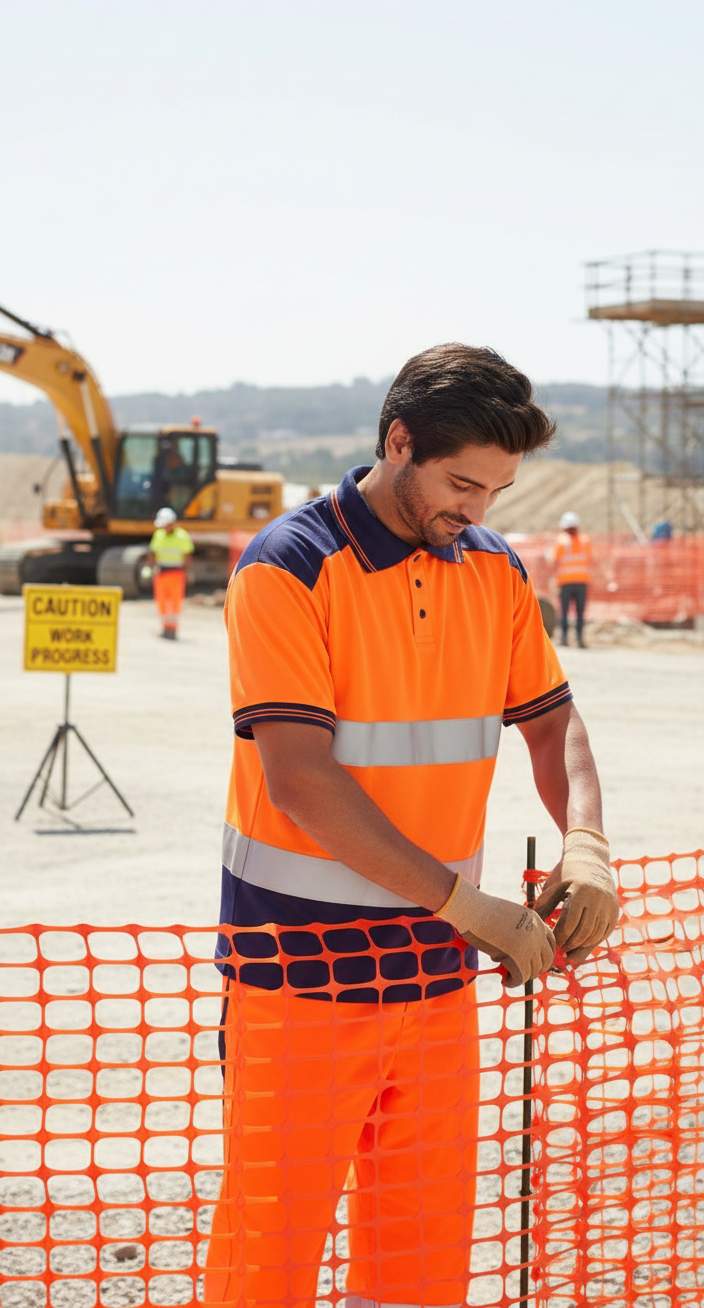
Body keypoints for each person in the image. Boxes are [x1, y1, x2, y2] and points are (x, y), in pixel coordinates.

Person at [205, 344, 619, 1308]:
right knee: (266, 1266)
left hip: (434, 985)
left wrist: (588, 845)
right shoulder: (287, 569)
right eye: (462, 482)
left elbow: (554, 724)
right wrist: (466, 905)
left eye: (498, 489)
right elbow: (303, 781)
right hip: (298, 980)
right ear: (398, 441)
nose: (477, 510)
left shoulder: (494, 569)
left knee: (420, 1269)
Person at [147, 507, 194, 639]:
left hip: (176, 574)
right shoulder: (159, 535)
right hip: (161, 573)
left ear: (171, 523)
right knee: (162, 602)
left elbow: (187, 556)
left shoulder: (182, 536)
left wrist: (188, 572)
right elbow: (153, 553)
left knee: (174, 602)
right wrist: (150, 568)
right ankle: (165, 627)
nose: (164, 528)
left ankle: (172, 629)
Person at [553, 511, 592, 648]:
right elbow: (589, 559)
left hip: (566, 582)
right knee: (580, 613)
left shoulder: (561, 541)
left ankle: (564, 638)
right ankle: (579, 638)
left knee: (564, 611)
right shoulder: (585, 540)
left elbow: (554, 560)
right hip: (582, 581)